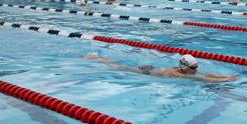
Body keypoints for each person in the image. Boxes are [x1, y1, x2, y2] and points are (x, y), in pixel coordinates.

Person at [85, 53, 238, 83]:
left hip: (153, 68)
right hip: (145, 71)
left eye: (197, 66)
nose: (197, 69)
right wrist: (226, 80)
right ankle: (100, 59)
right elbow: (202, 79)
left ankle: (100, 58)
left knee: (121, 66)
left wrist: (223, 77)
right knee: (119, 67)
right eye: (194, 67)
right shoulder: (177, 75)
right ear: (185, 68)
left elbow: (206, 73)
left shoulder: (186, 69)